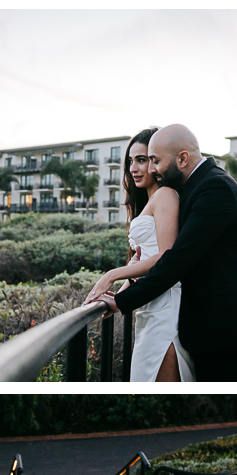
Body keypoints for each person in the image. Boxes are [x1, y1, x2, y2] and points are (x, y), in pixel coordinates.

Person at [91, 123, 237, 383]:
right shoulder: (196, 185)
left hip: (223, 327)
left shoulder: (214, 188)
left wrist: (122, 300)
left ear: (183, 158)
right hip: (204, 326)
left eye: (155, 161)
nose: (151, 169)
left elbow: (178, 258)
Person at [83, 127, 195, 382]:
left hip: (166, 309)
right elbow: (144, 261)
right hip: (149, 306)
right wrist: (122, 292)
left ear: (157, 162)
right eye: (130, 161)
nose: (133, 168)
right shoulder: (148, 201)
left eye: (142, 160)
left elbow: (167, 256)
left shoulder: (166, 196)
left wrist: (111, 275)